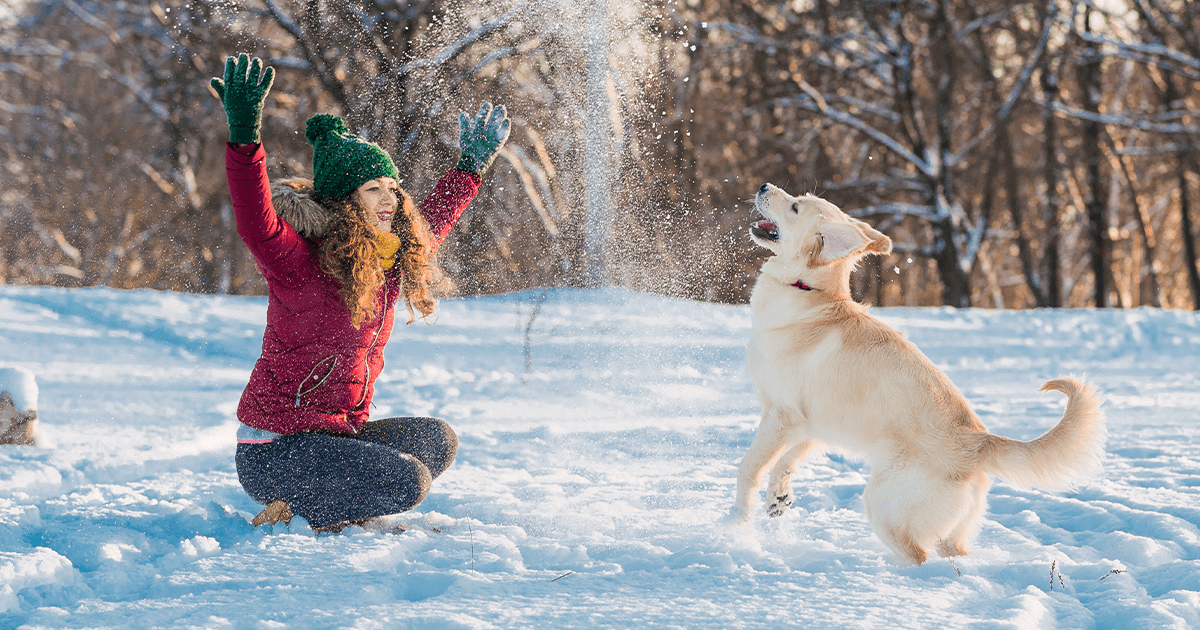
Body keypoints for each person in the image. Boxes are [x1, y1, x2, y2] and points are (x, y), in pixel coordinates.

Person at [210, 54, 510, 532]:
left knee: (435, 440)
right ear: (347, 201)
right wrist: (246, 137)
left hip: (333, 435)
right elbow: (255, 219)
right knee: (407, 483)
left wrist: (469, 168)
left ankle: (330, 502)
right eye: (374, 188)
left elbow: (431, 223)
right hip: (276, 449)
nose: (391, 198)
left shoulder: (387, 257)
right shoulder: (298, 263)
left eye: (393, 187)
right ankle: (295, 513)